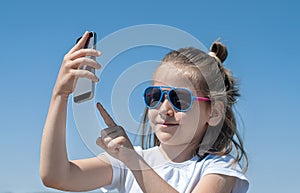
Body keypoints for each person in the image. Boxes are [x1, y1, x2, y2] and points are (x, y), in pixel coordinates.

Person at [40, 31, 249, 193]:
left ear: (214, 113)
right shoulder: (129, 160)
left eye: (180, 99)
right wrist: (60, 94)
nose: (165, 108)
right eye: (155, 96)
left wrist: (133, 162)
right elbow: (56, 176)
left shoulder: (220, 168)